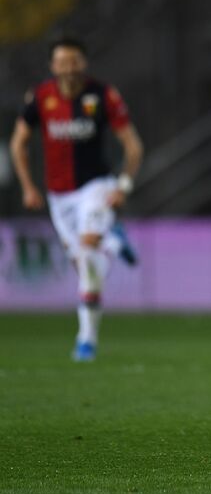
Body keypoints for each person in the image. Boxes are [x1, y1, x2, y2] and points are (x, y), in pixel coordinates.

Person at [9, 34, 144, 362]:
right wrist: (28, 186)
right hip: (59, 197)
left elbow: (133, 145)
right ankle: (112, 242)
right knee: (87, 267)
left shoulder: (102, 95)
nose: (68, 69)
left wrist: (122, 186)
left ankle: (85, 340)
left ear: (84, 64)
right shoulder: (41, 98)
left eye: (74, 62)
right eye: (62, 62)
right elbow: (18, 143)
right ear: (52, 66)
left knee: (86, 257)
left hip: (94, 187)